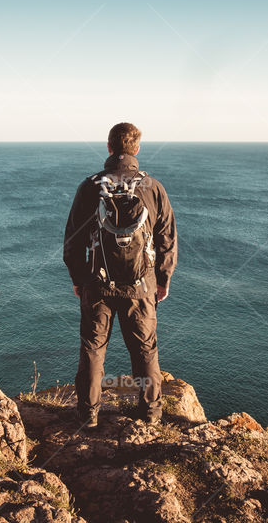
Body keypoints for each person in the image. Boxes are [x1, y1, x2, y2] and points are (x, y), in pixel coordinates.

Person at [63, 122, 177, 428]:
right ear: (137, 149)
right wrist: (163, 280)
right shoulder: (153, 188)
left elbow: (72, 241)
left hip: (97, 285)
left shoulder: (90, 186)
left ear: (110, 147)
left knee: (92, 349)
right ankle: (151, 413)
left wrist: (78, 278)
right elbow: (167, 239)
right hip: (141, 287)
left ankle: (88, 415)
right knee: (145, 350)